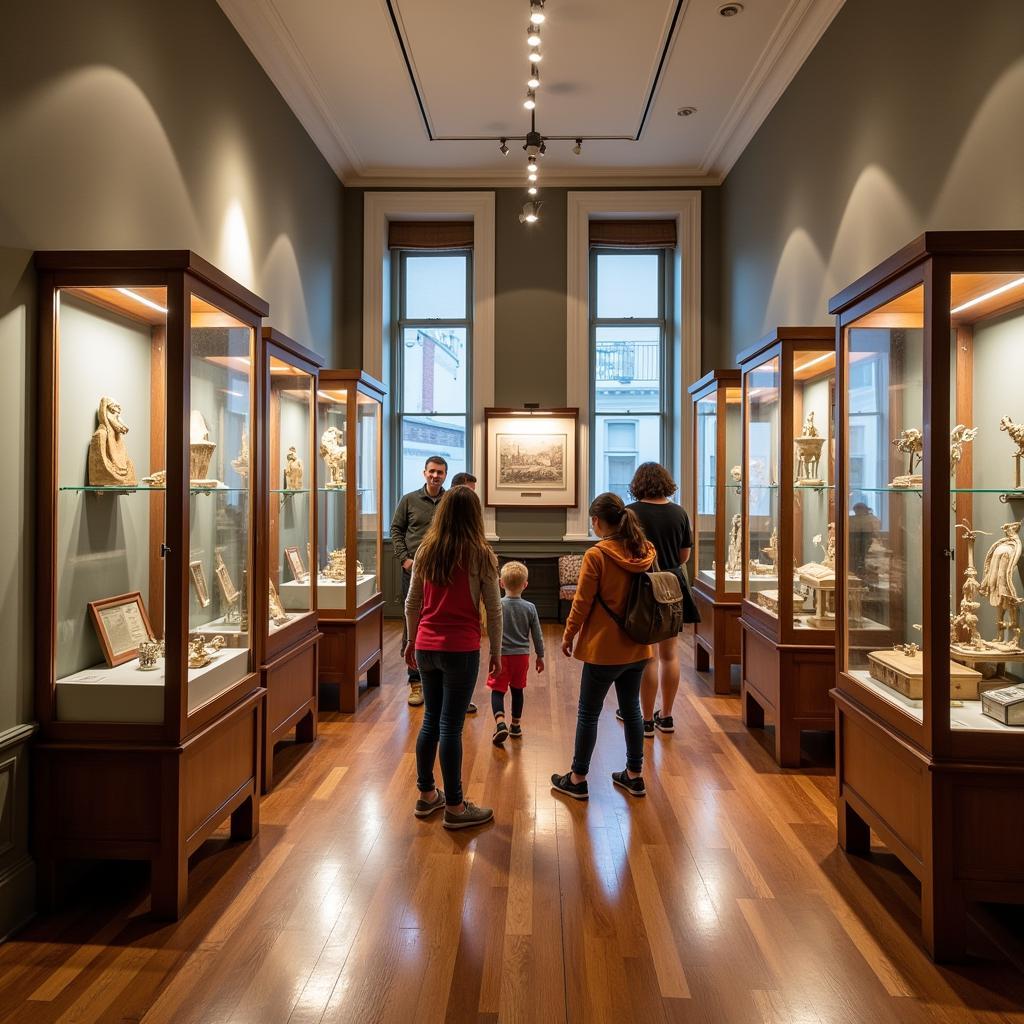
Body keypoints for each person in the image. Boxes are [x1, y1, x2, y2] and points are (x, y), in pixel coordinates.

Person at [405, 487, 502, 829]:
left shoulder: (426, 551)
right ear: (475, 516)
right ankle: (457, 808)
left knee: (431, 718)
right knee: (450, 725)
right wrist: (497, 652)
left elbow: (411, 603)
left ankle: (427, 794)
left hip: (426, 647)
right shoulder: (481, 554)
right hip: (461, 649)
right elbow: (493, 608)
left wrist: (411, 639)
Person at [552, 493, 656, 801]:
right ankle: (634, 776)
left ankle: (578, 778)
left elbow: (582, 602)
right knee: (632, 710)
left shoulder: (597, 555)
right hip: (638, 645)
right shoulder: (645, 549)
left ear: (597, 522)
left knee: (588, 713)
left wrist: (569, 634)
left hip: (603, 648)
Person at [621, 462, 693, 736]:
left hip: (643, 585)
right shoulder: (679, 513)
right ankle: (668, 716)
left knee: (648, 657)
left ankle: (647, 720)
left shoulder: (631, 513)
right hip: (673, 585)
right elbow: (684, 556)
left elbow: (625, 552)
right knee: (670, 654)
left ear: (638, 484)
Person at [391, 456, 448, 706]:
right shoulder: (409, 500)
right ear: (424, 473)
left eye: (441, 473)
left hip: (444, 573)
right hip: (414, 571)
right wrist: (405, 559)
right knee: (412, 620)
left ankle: (442, 679)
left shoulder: (450, 500)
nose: (436, 476)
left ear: (446, 475)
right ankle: (415, 682)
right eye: (432, 472)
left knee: (442, 621)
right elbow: (396, 530)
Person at [488, 561, 544, 747]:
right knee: (517, 690)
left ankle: (500, 722)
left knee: (498, 691)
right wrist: (540, 656)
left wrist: (492, 653)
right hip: (522, 657)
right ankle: (516, 726)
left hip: (501, 655)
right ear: (525, 584)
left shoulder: (498, 606)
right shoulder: (530, 607)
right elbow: (537, 635)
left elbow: (492, 630)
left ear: (501, 583)